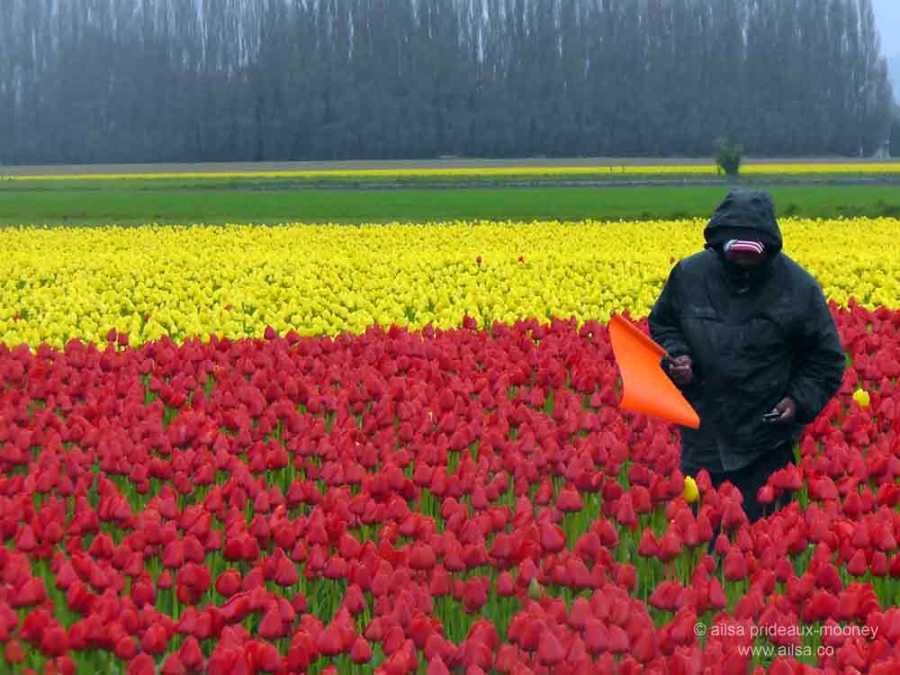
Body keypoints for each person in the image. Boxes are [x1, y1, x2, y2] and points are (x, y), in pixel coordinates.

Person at [648, 190, 846, 523]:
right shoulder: (690, 276)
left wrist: (797, 401)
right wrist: (677, 356)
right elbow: (663, 324)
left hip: (766, 440)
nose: (742, 259)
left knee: (766, 546)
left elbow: (826, 360)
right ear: (718, 244)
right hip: (704, 433)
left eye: (752, 253)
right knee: (702, 543)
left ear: (768, 247)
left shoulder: (798, 288)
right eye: (734, 251)